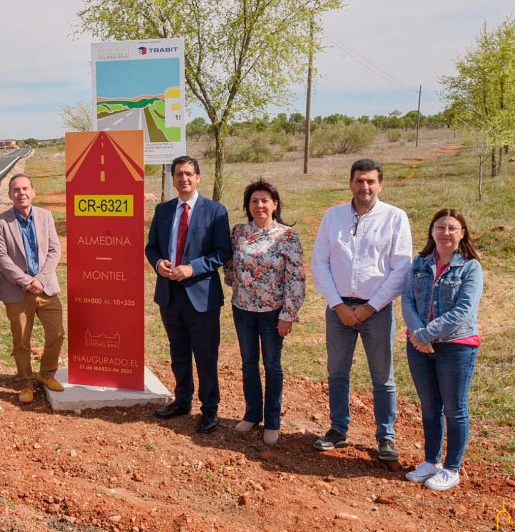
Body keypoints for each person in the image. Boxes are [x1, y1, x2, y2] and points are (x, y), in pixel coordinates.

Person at [311, 158, 412, 461]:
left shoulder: (395, 218)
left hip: (377, 311)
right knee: (337, 372)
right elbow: (320, 263)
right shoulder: (333, 216)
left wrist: (370, 307)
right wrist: (338, 305)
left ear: (381, 184)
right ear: (350, 183)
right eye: (359, 181)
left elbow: (401, 268)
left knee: (382, 377)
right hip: (339, 309)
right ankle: (338, 430)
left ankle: (386, 437)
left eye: (370, 181)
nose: (364, 187)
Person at [144, 156, 231, 433]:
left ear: (198, 177)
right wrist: (159, 264)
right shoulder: (164, 210)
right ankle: (182, 400)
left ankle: (210, 410)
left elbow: (222, 252)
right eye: (179, 174)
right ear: (173, 179)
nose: (184, 179)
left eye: (189, 174)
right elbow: (152, 247)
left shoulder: (215, 211)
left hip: (201, 296)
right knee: (178, 352)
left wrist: (192, 269)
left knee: (205, 356)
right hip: (169, 295)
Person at [402, 209, 482, 491]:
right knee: (430, 406)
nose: (445, 232)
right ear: (432, 231)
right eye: (440, 227)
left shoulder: (471, 267)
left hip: (456, 346)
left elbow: (463, 311)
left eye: (451, 228)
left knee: (454, 408)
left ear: (462, 233)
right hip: (419, 347)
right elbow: (408, 300)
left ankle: (451, 468)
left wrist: (426, 333)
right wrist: (418, 334)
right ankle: (431, 462)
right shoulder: (420, 263)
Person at [223, 179, 305, 445]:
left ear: (274, 205)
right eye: (254, 201)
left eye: (264, 200)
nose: (259, 205)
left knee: (272, 365)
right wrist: (237, 283)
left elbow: (295, 277)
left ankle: (272, 421)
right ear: (248, 205)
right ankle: (252, 414)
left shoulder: (287, 236)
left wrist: (288, 313)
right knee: (248, 363)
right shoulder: (238, 233)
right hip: (243, 309)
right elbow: (229, 265)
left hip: (273, 313)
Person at [0, 173, 64, 405]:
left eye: (25, 189)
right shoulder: (1, 222)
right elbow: (2, 257)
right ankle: (26, 381)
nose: (21, 193)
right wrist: (26, 281)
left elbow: (55, 250)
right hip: (17, 291)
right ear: (10, 195)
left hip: (46, 288)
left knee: (56, 334)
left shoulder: (46, 216)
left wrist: (41, 279)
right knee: (21, 341)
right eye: (16, 190)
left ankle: (46, 373)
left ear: (33, 192)